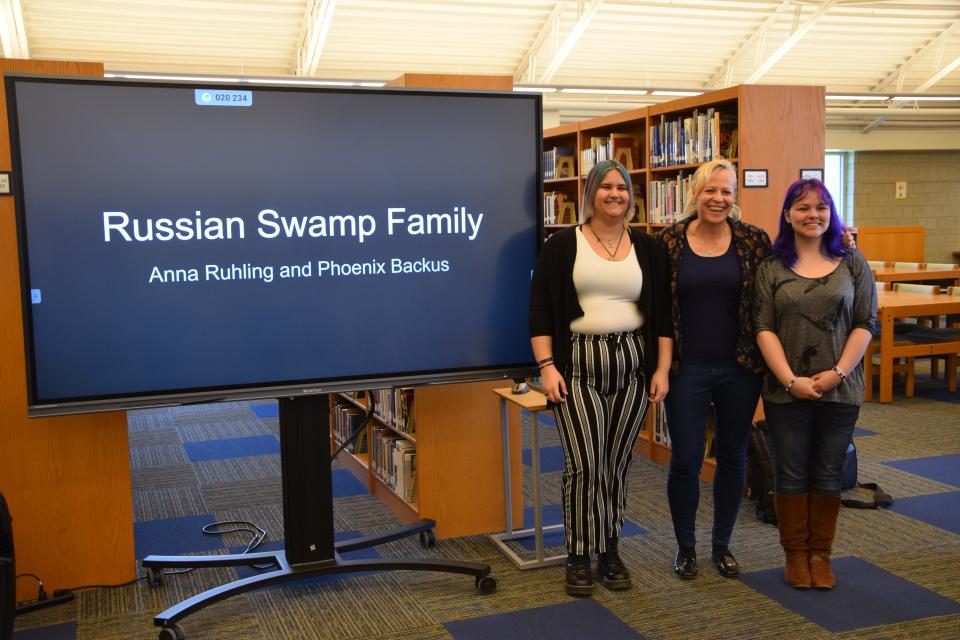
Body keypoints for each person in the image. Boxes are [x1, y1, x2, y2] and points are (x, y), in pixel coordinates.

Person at [529, 159, 673, 596]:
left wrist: (662, 369)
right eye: (606, 186)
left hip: (631, 364)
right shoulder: (561, 245)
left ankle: (610, 549)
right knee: (585, 465)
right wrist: (546, 367)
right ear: (590, 193)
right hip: (577, 366)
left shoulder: (648, 248)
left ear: (632, 195)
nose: (615, 194)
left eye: (623, 187)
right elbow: (540, 311)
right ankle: (578, 553)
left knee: (616, 464)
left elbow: (663, 315)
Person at [753, 178, 876, 590]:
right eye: (803, 208)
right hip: (785, 389)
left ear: (832, 214)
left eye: (821, 207)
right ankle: (794, 555)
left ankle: (820, 555)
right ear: (787, 215)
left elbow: (865, 323)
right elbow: (763, 327)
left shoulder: (853, 263)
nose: (813, 215)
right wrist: (790, 380)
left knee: (828, 471)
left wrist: (838, 372)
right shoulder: (771, 268)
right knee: (790, 473)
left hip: (841, 387)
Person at [658, 159, 771, 580]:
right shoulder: (669, 241)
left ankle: (721, 545)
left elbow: (777, 290)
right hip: (685, 368)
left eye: (726, 192)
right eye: (711, 191)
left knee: (732, 456)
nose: (718, 199)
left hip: (740, 367)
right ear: (695, 194)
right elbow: (656, 309)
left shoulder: (754, 241)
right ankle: (685, 548)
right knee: (685, 458)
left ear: (734, 197)